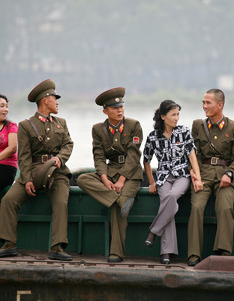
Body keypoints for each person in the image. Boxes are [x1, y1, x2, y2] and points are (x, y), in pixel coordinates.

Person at [0, 79, 74, 261]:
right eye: (54, 98)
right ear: (44, 100)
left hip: (57, 173)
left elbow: (68, 145)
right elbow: (24, 156)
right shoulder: (26, 125)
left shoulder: (61, 123)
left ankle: (57, 247)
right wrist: (26, 180)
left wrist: (60, 159)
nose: (57, 102)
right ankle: (9, 244)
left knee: (60, 203)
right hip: (33, 171)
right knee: (9, 200)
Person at [77, 87, 143, 263]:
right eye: (115, 108)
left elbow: (134, 155)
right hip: (110, 171)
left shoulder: (134, 125)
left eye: (121, 106)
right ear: (105, 111)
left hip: (130, 174)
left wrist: (122, 179)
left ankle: (116, 253)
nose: (119, 110)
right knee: (83, 179)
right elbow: (98, 157)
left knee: (119, 208)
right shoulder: (98, 129)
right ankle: (116, 197)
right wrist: (105, 179)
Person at [187, 89, 234, 266]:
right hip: (202, 173)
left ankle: (223, 252)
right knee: (196, 207)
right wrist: (195, 175)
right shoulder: (197, 125)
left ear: (220, 105)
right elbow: (193, 154)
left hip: (225, 175)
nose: (204, 106)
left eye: (208, 103)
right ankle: (193, 254)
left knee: (225, 207)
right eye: (203, 102)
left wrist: (229, 174)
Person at [143, 100, 203, 264]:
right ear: (163, 116)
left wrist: (197, 178)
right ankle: (167, 253)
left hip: (182, 175)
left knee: (170, 198)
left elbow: (192, 156)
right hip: (162, 178)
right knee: (167, 202)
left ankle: (153, 233)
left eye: (178, 114)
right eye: (173, 115)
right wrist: (151, 182)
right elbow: (146, 160)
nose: (176, 118)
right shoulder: (153, 136)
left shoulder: (184, 132)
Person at [0, 94, 18, 190]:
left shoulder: (11, 126)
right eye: (2, 106)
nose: (6, 109)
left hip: (6, 168)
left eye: (6, 106)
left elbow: (12, 148)